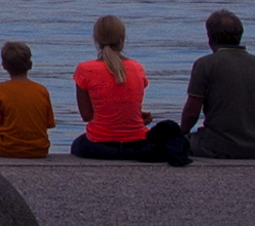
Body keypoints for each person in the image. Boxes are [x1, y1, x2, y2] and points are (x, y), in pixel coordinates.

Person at [71, 14, 191, 165]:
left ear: (96, 40)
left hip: (101, 141)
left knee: (77, 145)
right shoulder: (137, 68)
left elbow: (87, 116)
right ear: (122, 38)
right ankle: (132, 153)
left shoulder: (85, 70)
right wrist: (134, 115)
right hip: (137, 140)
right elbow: (123, 98)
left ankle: (119, 153)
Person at [182, 9, 255, 160]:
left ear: (210, 37)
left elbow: (191, 113)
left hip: (219, 147)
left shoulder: (205, 64)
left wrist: (181, 133)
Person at [0, 41, 55, 158]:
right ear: (29, 64)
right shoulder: (42, 90)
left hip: (7, 148)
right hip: (39, 149)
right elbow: (47, 125)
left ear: (4, 65)